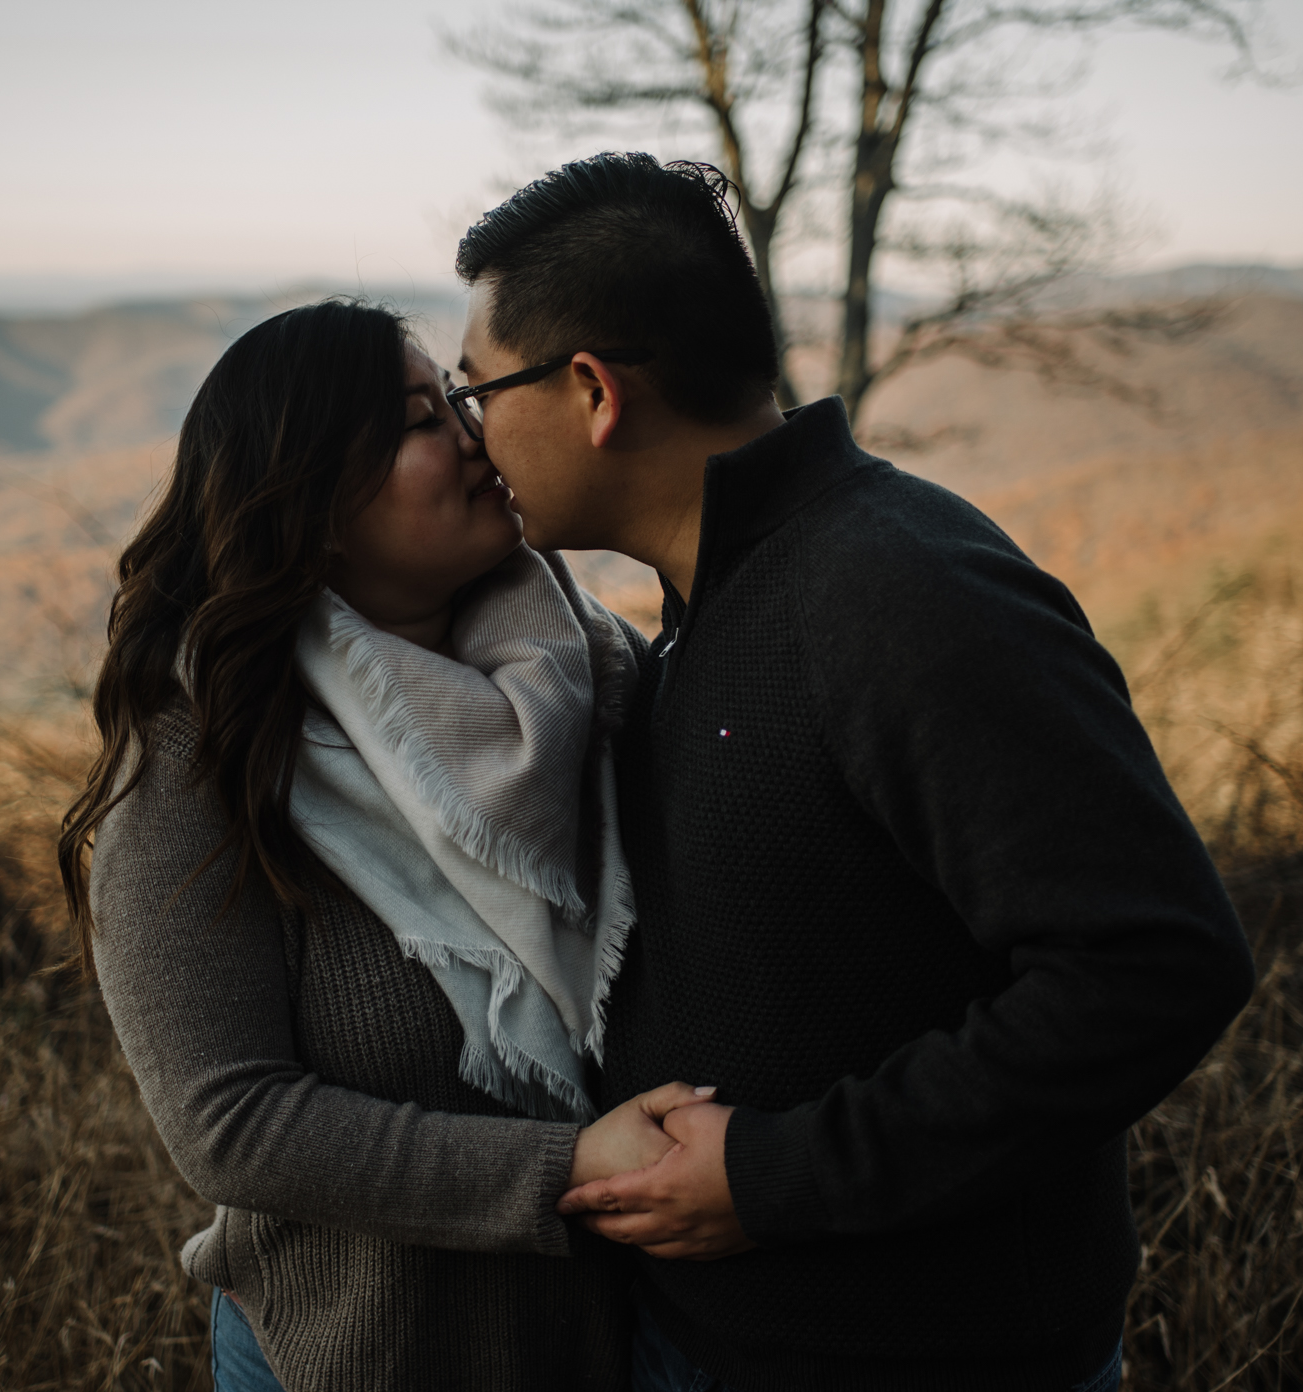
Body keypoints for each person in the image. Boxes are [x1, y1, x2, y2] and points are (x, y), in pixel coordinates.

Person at [449, 153, 1256, 1392]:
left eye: (478, 393)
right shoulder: (708, 601)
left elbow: (1155, 965)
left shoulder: (898, 590)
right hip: (716, 1345)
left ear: (592, 391)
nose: (471, 435)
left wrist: (777, 1177)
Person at [59, 298, 710, 1392]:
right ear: (310, 506)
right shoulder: (207, 750)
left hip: (606, 1347)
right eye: (421, 420)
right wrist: (569, 1165)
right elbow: (230, 1121)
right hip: (349, 1359)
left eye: (459, 402)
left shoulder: (585, 675)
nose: (474, 435)